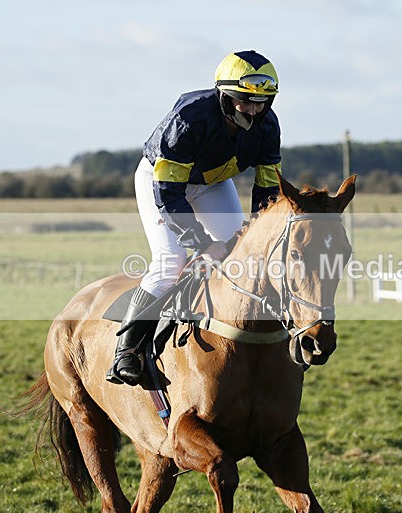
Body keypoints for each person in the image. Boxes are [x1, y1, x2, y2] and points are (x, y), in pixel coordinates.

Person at [106, 50, 282, 386]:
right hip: (162, 182)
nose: (253, 110)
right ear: (224, 96)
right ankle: (126, 351)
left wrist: (259, 233)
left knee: (243, 256)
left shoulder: (268, 125)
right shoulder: (189, 119)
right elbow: (169, 193)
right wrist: (201, 244)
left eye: (262, 103)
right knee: (171, 261)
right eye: (246, 101)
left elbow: (268, 189)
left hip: (212, 183)